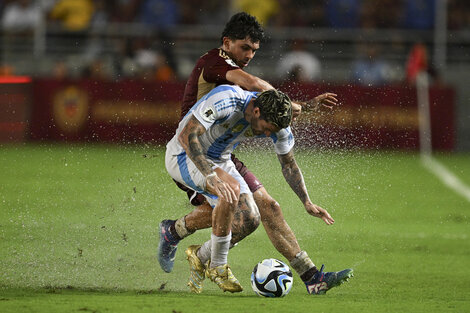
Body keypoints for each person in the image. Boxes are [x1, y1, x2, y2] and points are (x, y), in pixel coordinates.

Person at [158, 12, 350, 295]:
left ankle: (312, 278)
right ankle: (183, 238)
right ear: (227, 42)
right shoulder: (217, 65)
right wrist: (292, 104)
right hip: (192, 150)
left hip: (223, 150)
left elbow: (285, 152)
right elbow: (255, 85)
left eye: (254, 50)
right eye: (244, 48)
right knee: (233, 207)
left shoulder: (263, 111)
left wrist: (301, 108)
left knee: (265, 209)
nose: (249, 55)